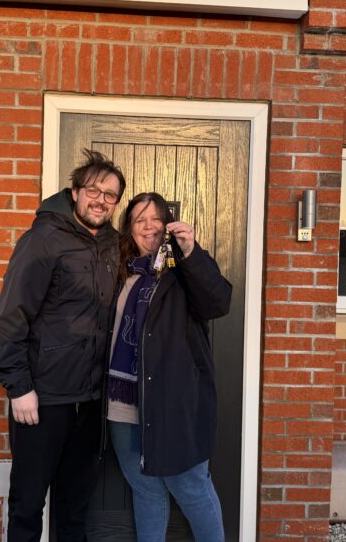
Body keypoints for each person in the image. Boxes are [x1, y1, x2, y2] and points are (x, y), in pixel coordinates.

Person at [0, 149, 126, 542]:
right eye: (94, 190)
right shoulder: (43, 239)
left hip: (90, 400)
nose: (101, 200)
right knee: (29, 503)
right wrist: (19, 388)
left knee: (74, 507)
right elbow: (11, 316)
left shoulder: (113, 246)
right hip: (42, 399)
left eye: (110, 195)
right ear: (76, 191)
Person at [107, 192, 232, 542]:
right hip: (123, 403)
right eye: (139, 220)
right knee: (145, 489)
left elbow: (218, 301)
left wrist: (191, 251)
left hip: (172, 402)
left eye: (155, 219)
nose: (148, 226)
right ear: (129, 229)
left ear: (167, 225)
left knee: (191, 486)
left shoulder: (181, 270)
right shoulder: (123, 272)